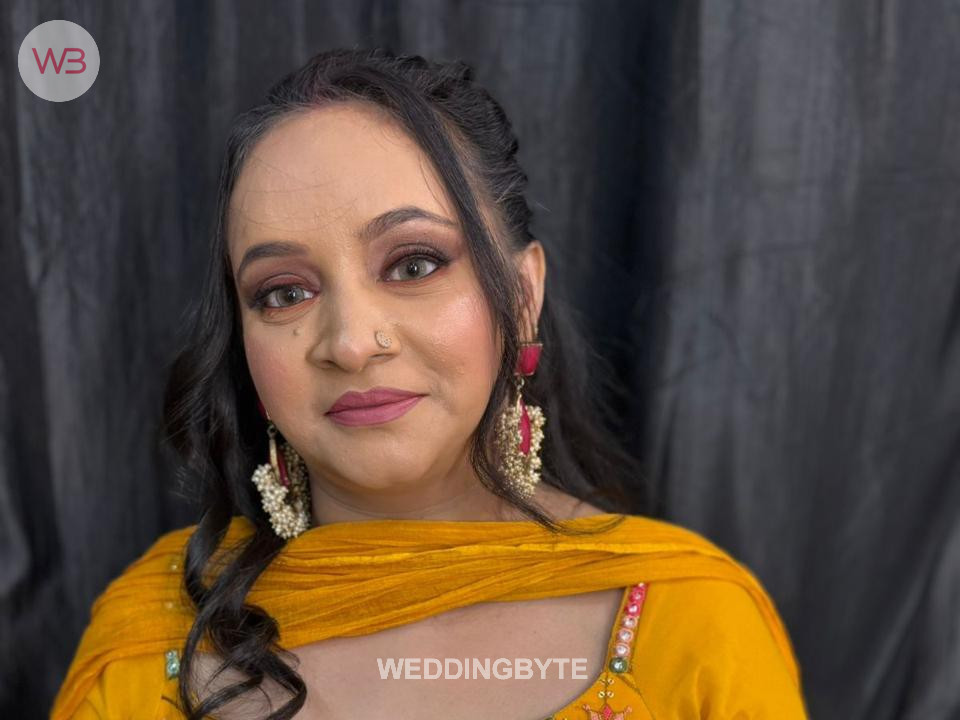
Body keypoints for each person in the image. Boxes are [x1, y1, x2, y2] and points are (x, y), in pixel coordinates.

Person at [52, 48, 809, 720]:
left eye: (414, 264)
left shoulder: (693, 625)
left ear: (521, 294)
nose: (351, 343)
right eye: (284, 292)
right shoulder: (151, 636)